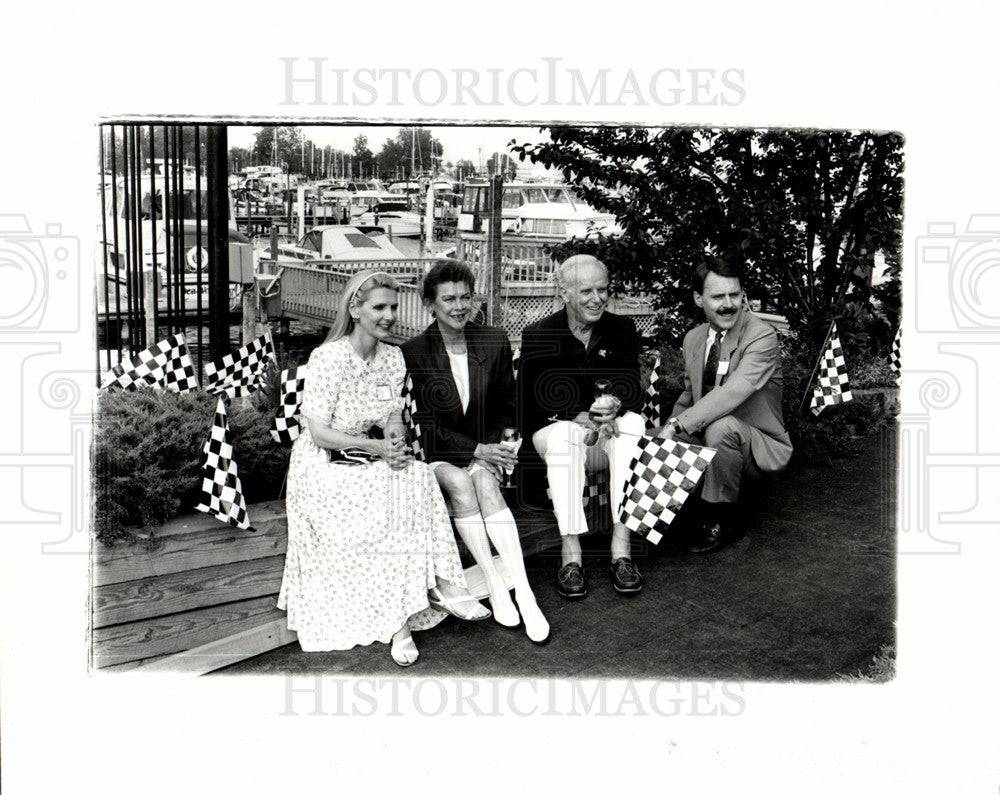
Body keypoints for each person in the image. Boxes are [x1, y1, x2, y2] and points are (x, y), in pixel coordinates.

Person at [277, 270, 487, 669]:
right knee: (384, 497)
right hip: (323, 464)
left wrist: (393, 441)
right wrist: (375, 447)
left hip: (364, 455)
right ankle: (398, 625)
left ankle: (443, 585)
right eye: (379, 307)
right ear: (355, 309)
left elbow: (392, 416)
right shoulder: (329, 358)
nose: (389, 315)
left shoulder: (392, 358)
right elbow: (319, 433)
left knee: (418, 475)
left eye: (393, 306)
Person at [401, 260, 550, 643]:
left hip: (486, 449)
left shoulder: (493, 339)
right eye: (448, 298)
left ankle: (524, 593)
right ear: (429, 304)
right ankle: (499, 589)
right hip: (440, 452)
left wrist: (495, 447)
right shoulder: (414, 353)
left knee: (485, 486)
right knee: (464, 486)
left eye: (465, 297)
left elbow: (507, 404)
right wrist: (475, 449)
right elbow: (426, 424)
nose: (458, 306)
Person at [517, 254, 647, 599]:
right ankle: (570, 553)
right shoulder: (538, 334)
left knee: (633, 425)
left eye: (603, 289)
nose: (597, 298)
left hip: (607, 438)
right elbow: (527, 410)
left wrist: (617, 405)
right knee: (563, 436)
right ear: (564, 293)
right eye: (586, 290)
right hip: (558, 436)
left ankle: (622, 549)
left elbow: (633, 389)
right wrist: (572, 415)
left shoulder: (622, 330)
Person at [655, 257, 792, 554]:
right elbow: (689, 397)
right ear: (698, 298)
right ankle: (658, 511)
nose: (729, 304)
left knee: (722, 426)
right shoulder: (693, 338)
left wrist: (680, 425)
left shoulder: (761, 336)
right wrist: (665, 433)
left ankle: (721, 518)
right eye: (718, 296)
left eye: (735, 294)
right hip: (710, 434)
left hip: (757, 445)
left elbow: (733, 392)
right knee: (653, 436)